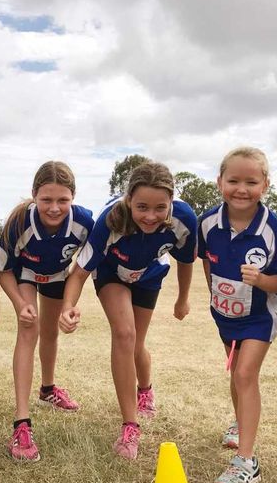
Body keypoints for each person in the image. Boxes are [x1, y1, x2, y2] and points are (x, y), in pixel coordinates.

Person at [59, 160, 196, 460]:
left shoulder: (184, 219)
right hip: (111, 274)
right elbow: (80, 272)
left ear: (171, 202)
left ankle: (145, 389)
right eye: (142, 207)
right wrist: (68, 306)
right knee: (124, 334)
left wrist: (183, 298)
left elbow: (186, 261)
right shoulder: (111, 219)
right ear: (129, 199)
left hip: (149, 275)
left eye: (160, 208)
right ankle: (130, 426)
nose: (150, 216)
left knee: (137, 344)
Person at [197, 147, 277, 483]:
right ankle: (240, 422)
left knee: (245, 374)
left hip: (259, 317)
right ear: (220, 181)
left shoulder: (274, 229)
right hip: (224, 315)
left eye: (251, 182)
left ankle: (246, 462)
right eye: (234, 180)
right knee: (237, 375)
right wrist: (213, 292)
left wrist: (261, 280)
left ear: (265, 184)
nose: (241, 189)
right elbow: (206, 260)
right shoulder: (207, 222)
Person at [0, 161, 94, 461]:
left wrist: (69, 306)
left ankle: (48, 389)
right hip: (25, 274)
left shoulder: (84, 222)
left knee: (51, 332)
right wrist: (18, 302)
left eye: (63, 200)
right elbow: (2, 269)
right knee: (29, 330)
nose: (54, 208)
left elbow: (85, 265)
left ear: (73, 196)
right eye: (46, 199)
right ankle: (21, 422)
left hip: (58, 276)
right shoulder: (18, 222)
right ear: (34, 194)